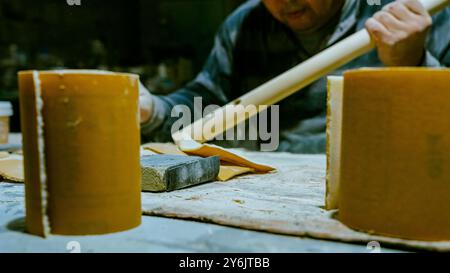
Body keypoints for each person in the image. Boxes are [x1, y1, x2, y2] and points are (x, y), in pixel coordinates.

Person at [139, 0, 450, 154]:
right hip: (257, 198)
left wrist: (413, 65)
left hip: (369, 200)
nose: (285, 1)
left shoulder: (413, 16)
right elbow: (208, 111)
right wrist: (153, 110)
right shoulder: (245, 26)